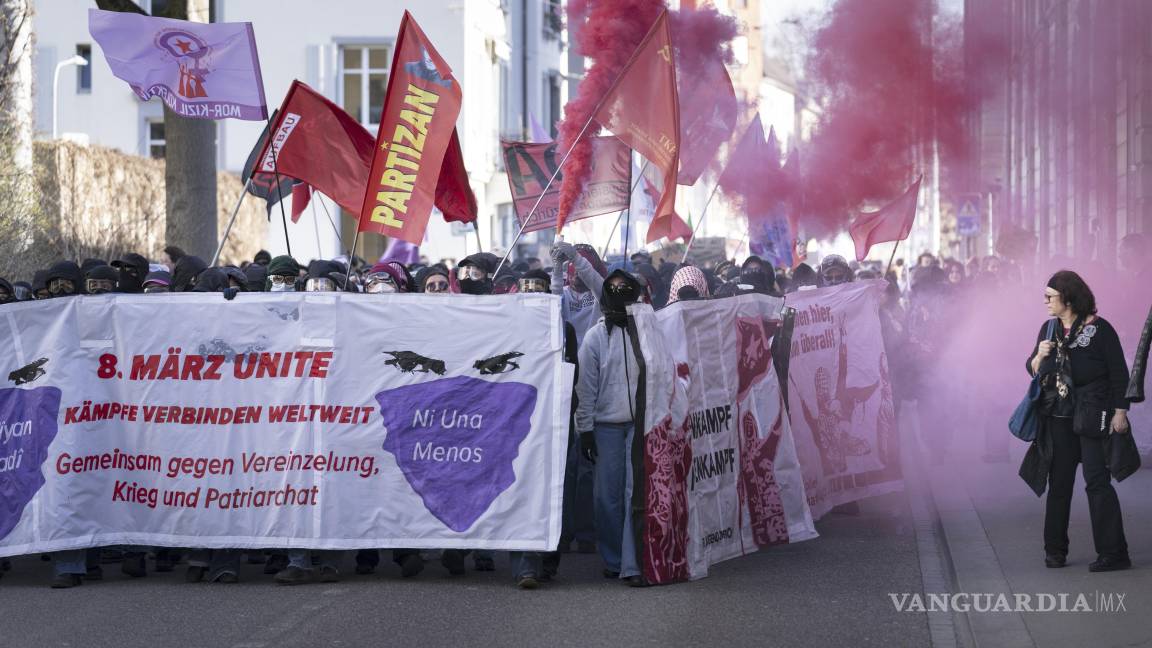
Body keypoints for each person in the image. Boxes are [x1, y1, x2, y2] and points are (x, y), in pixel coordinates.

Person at [1027, 270, 1132, 572]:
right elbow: (1032, 369)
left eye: (1050, 297)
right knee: (1059, 483)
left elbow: (1118, 373)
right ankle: (1054, 551)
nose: (1045, 301)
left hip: (1093, 415)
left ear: (1068, 299)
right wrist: (1038, 357)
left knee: (1097, 481)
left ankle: (1114, 553)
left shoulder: (1100, 330)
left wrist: (1120, 412)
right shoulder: (1049, 329)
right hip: (1059, 417)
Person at [576, 270, 646, 586]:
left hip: (640, 424)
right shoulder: (594, 337)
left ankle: (633, 563)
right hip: (606, 427)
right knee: (607, 497)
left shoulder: (647, 332)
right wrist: (586, 430)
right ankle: (613, 557)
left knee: (635, 492)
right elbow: (585, 390)